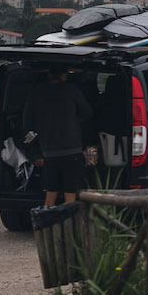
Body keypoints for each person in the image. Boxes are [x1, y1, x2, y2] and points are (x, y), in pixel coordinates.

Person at [22, 66, 93, 206]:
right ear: (64, 75)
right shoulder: (71, 90)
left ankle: (49, 223)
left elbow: (26, 124)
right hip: (72, 152)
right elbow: (88, 113)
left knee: (50, 194)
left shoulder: (36, 93)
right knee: (70, 195)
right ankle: (68, 224)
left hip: (48, 154)